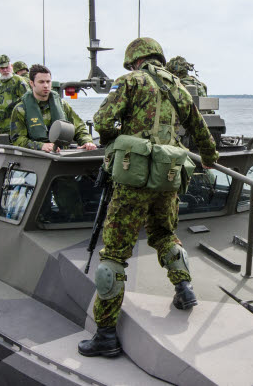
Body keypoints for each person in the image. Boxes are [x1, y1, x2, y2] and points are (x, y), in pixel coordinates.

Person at [78, 37, 218, 358]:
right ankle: (184, 290)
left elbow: (101, 122)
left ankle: (106, 335)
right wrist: (209, 156)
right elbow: (199, 128)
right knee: (165, 234)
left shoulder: (129, 82)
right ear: (158, 57)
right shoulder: (178, 86)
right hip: (167, 177)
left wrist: (118, 140)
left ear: (133, 61)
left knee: (114, 255)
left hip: (133, 179)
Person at [9, 64, 96, 152]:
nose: (46, 85)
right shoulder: (21, 109)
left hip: (62, 154)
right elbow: (17, 140)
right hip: (37, 156)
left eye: (48, 81)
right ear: (32, 83)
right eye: (41, 82)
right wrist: (41, 146)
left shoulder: (62, 105)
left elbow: (79, 127)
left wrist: (87, 141)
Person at [0, 54, 31, 137]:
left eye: (7, 67)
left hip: (17, 129)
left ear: (11, 66)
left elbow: (29, 102)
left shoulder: (18, 81)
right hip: (2, 129)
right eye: (2, 68)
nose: (5, 70)